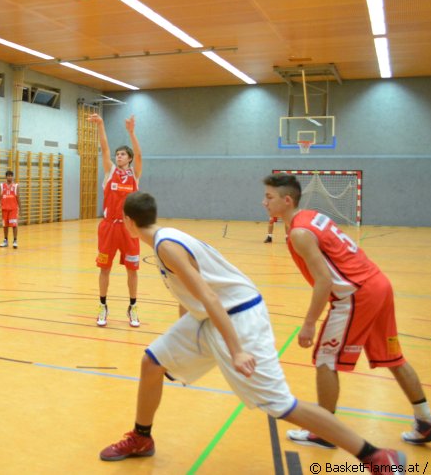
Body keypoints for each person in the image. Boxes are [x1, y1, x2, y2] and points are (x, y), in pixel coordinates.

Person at [98, 191, 407, 470]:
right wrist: (182, 337)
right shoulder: (166, 237)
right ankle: (142, 437)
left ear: (128, 221)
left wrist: (237, 350)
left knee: (281, 405)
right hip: (211, 317)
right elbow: (193, 294)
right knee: (152, 362)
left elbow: (209, 297)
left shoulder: (166, 247)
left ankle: (375, 455)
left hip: (239, 317)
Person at [263, 174, 431, 448]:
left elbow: (324, 281)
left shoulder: (299, 233)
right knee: (393, 357)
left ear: (287, 200)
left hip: (356, 294)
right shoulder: (311, 216)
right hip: (378, 284)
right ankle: (426, 421)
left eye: (269, 197)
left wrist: (309, 323)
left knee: (326, 358)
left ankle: (325, 432)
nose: (264, 202)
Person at [86, 113, 142, 328]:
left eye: (122, 154)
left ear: (129, 158)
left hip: (129, 228)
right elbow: (104, 148)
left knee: (132, 270)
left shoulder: (135, 175)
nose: (118, 156)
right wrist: (101, 124)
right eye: (117, 154)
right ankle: (103, 306)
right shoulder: (110, 172)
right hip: (109, 226)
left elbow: (140, 154)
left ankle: (133, 307)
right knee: (104, 268)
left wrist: (131, 132)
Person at [0, 170, 20, 248]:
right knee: (5, 225)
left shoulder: (16, 186)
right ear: (6, 177)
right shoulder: (2, 185)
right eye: (8, 176)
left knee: (14, 225)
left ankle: (15, 240)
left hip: (13, 209)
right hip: (4, 209)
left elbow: (18, 197)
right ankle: (5, 240)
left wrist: (20, 208)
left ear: (12, 177)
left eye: (11, 176)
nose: (10, 177)